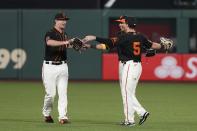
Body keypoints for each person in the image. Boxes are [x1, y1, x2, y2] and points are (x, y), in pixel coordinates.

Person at [83, 16, 168, 126]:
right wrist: (163, 46)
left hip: (130, 65)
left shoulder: (125, 37)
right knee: (127, 93)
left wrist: (94, 37)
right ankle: (130, 118)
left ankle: (138, 115)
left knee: (127, 92)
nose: (120, 24)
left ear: (128, 24)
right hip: (129, 66)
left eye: (122, 23)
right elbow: (152, 45)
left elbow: (108, 42)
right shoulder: (139, 36)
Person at [42, 12, 75, 124]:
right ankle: (46, 113)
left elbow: (66, 45)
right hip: (50, 66)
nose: (64, 22)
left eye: (65, 20)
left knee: (63, 93)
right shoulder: (50, 32)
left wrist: (76, 46)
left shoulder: (64, 34)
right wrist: (67, 42)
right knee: (51, 94)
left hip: (63, 66)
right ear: (56, 20)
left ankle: (63, 117)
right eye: (61, 19)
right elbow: (49, 42)